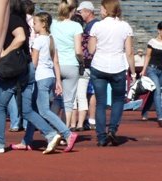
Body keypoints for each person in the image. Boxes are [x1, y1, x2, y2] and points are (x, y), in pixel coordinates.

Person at [0, 0, 63, 155]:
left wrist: (4, 53)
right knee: (27, 110)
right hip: (26, 67)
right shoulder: (23, 20)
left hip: (13, 68)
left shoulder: (12, 19)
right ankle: (51, 134)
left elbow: (20, 37)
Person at [11, 11, 78, 152]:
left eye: (35, 23)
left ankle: (67, 133)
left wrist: (24, 77)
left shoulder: (38, 40)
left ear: (42, 25)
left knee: (43, 110)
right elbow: (56, 61)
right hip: (49, 76)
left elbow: (34, 63)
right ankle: (26, 140)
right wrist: (58, 81)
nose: (33, 25)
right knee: (33, 110)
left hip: (40, 77)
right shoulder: (51, 40)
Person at [88, 0, 136, 146]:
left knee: (101, 103)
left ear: (106, 9)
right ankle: (113, 129)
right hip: (118, 67)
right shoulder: (125, 26)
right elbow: (129, 52)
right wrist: (133, 73)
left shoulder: (97, 26)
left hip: (99, 65)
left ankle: (101, 136)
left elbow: (91, 50)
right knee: (118, 101)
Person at [51, 0, 83, 129]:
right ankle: (65, 132)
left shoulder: (53, 24)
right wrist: (81, 62)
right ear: (73, 10)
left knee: (56, 99)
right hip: (71, 64)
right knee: (69, 102)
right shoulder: (76, 26)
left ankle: (52, 128)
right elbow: (78, 50)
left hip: (56, 64)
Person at [72, 1, 98, 131]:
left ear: (88, 11)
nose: (80, 14)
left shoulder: (93, 26)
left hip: (89, 64)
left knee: (85, 94)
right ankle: (85, 121)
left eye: (81, 11)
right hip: (89, 65)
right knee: (83, 94)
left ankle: (90, 119)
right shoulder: (89, 27)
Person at [140, 21, 162, 126]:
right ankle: (160, 117)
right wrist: (144, 70)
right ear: (159, 30)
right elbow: (148, 56)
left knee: (154, 92)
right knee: (157, 91)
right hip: (152, 69)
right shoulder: (152, 42)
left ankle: (144, 111)